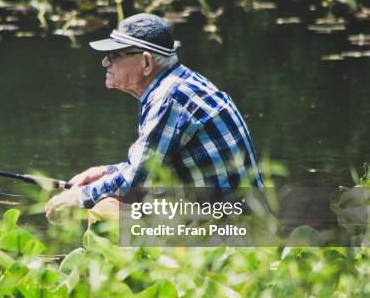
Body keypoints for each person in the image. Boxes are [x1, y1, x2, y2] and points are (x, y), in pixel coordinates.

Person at [45, 13, 264, 219]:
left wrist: (77, 197)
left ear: (146, 62)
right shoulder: (179, 84)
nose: (105, 62)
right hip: (232, 219)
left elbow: (136, 182)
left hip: (233, 230)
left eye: (114, 55)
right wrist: (103, 172)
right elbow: (149, 167)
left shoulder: (170, 98)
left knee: (105, 210)